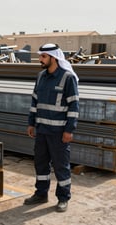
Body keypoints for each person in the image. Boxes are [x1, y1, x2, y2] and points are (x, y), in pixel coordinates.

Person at [24, 43, 79, 212]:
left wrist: (69, 130)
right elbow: (35, 102)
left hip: (58, 132)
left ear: (53, 58)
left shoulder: (67, 78)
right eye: (40, 56)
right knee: (41, 164)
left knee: (61, 166)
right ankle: (41, 194)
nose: (40, 59)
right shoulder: (40, 76)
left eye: (43, 56)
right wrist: (31, 123)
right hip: (41, 130)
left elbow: (74, 106)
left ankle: (63, 198)